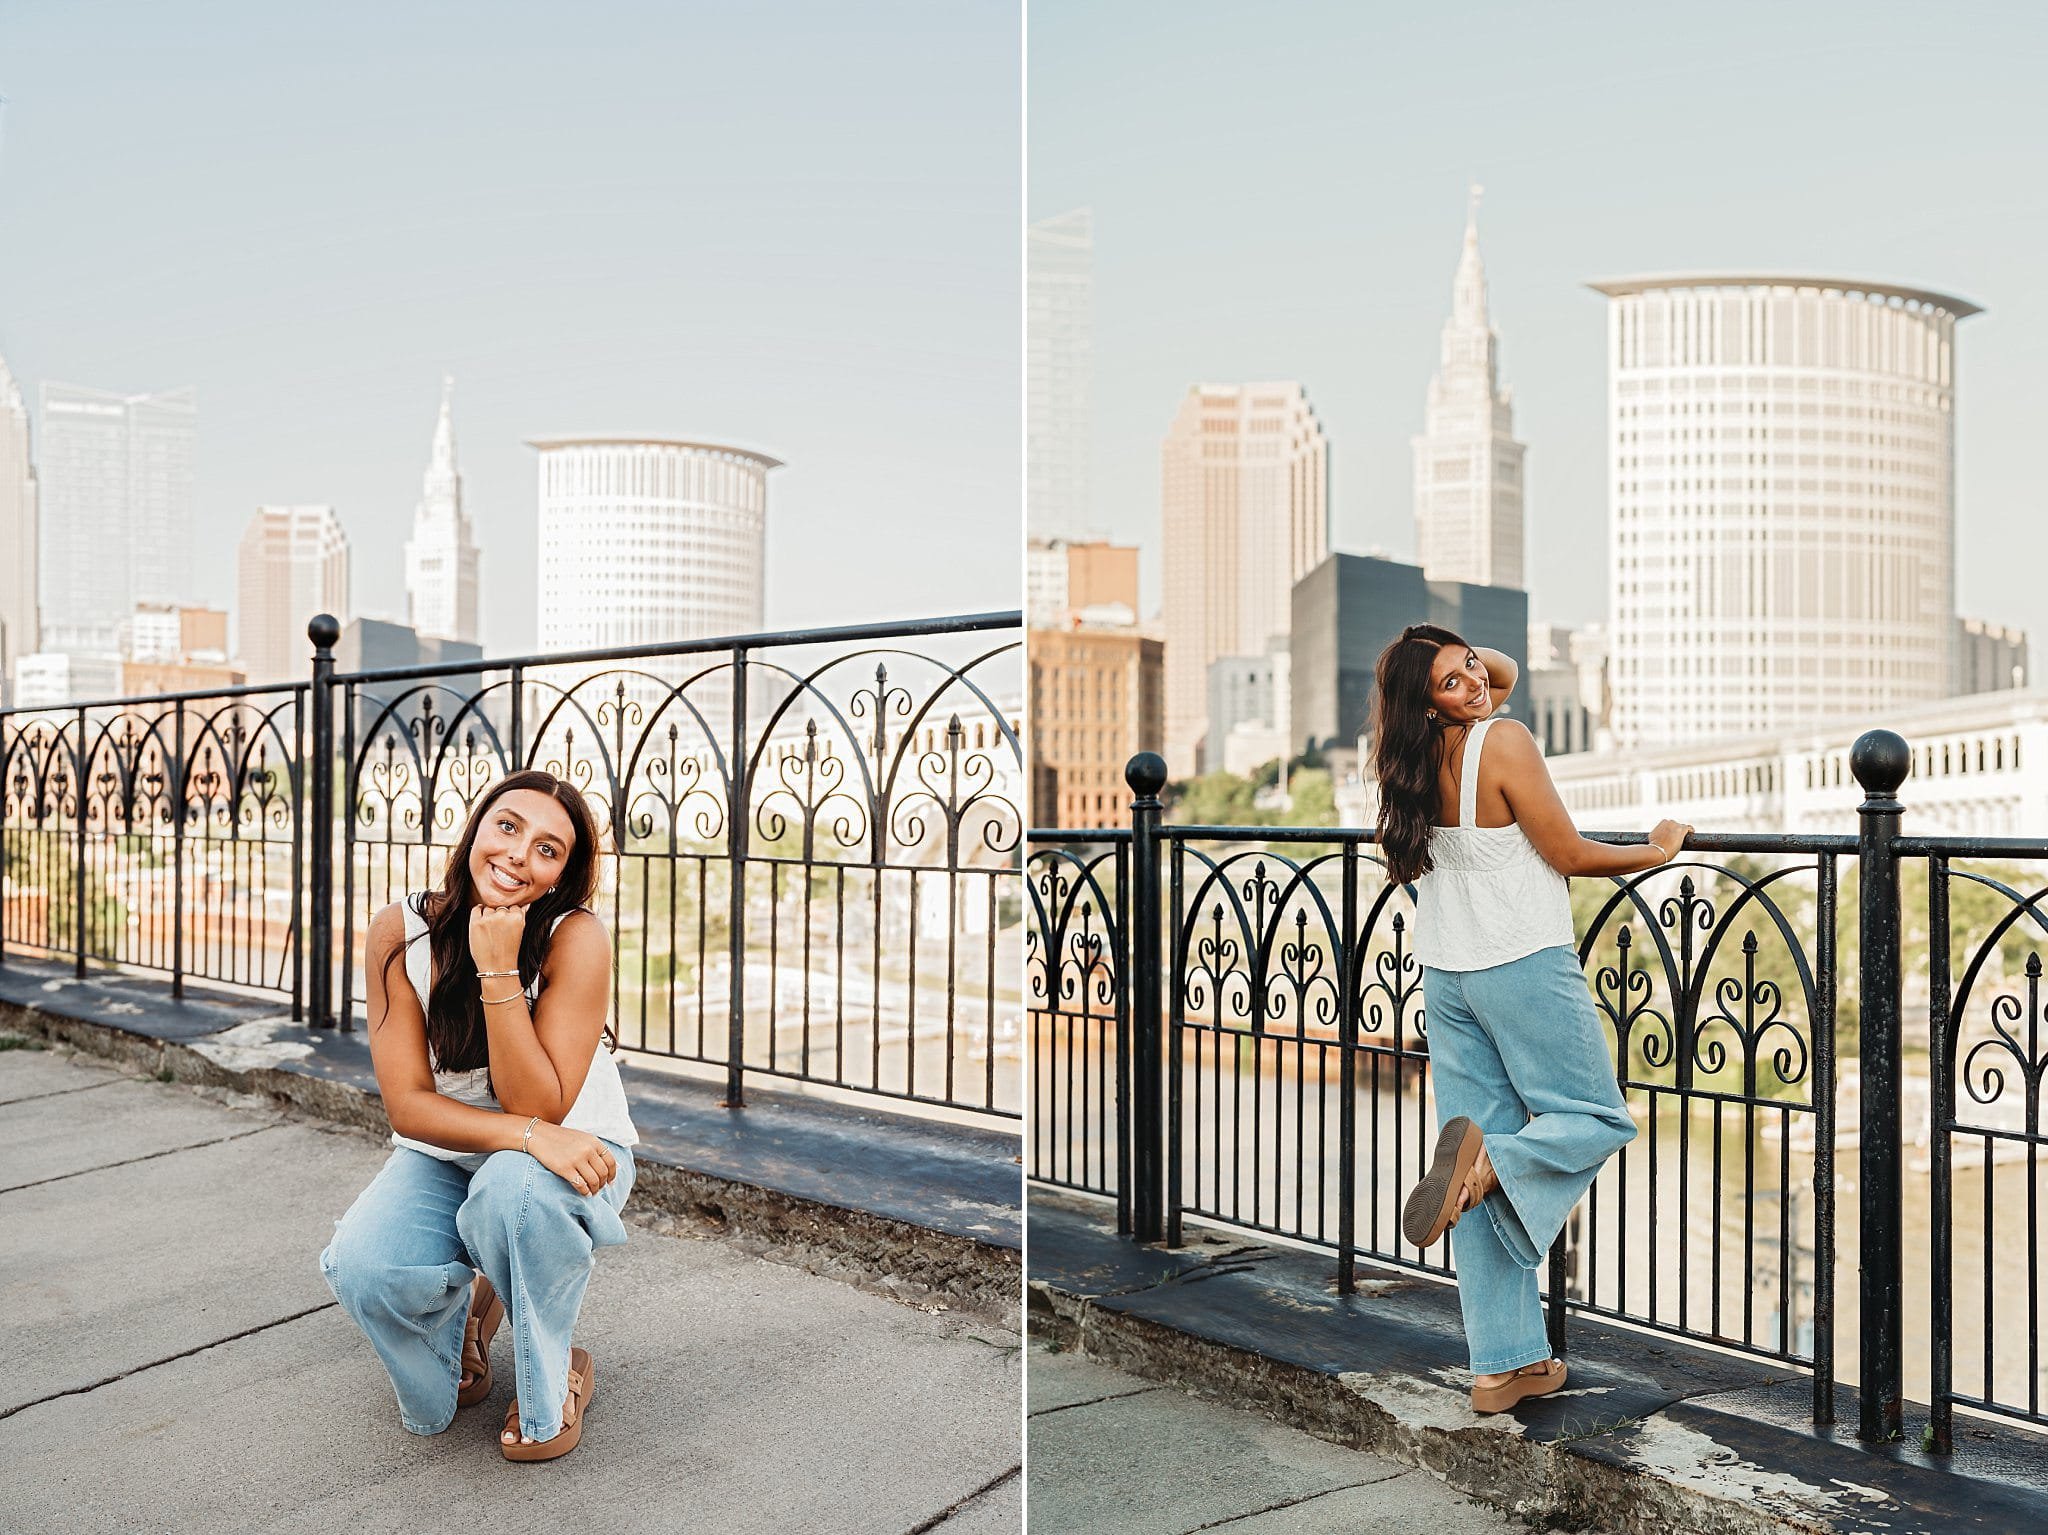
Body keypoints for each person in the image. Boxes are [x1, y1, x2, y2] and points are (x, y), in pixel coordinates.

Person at [1371, 624, 1689, 1414]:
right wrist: (1656, 850)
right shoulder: (1502, 742)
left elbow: (1495, 673)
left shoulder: (1409, 761)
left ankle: (1501, 1367)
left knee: (1472, 1161)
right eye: (1449, 680)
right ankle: (1495, 1165)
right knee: (1594, 1115)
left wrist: (1449, 661)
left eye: (1470, 664)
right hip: (1521, 963)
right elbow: (1569, 852)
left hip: (1447, 976)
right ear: (1424, 701)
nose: (1477, 682)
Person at [318, 769, 638, 1461]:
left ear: (559, 877)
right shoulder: (400, 930)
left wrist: (498, 968)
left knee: (511, 1196)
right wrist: (524, 1135)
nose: (521, 853)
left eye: (549, 849)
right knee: (363, 1263)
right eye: (509, 826)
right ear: (476, 830)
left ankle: (557, 1373)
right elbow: (408, 1105)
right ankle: (461, 1318)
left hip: (572, 1156)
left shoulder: (573, 936)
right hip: (454, 1150)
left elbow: (541, 1106)